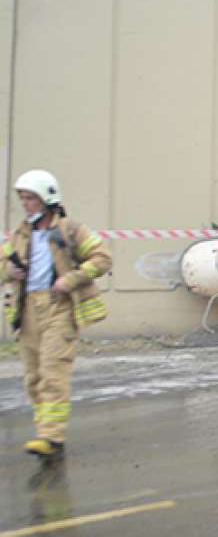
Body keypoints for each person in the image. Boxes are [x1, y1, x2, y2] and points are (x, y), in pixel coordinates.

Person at [1, 170, 112, 457]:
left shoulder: (71, 230)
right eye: (23, 198)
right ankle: (44, 432)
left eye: (31, 198)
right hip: (27, 310)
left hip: (59, 307)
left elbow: (102, 259)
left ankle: (52, 436)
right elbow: (2, 267)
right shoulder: (21, 234)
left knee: (53, 371)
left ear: (47, 199)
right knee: (33, 376)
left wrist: (71, 279)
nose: (25, 204)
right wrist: (8, 270)